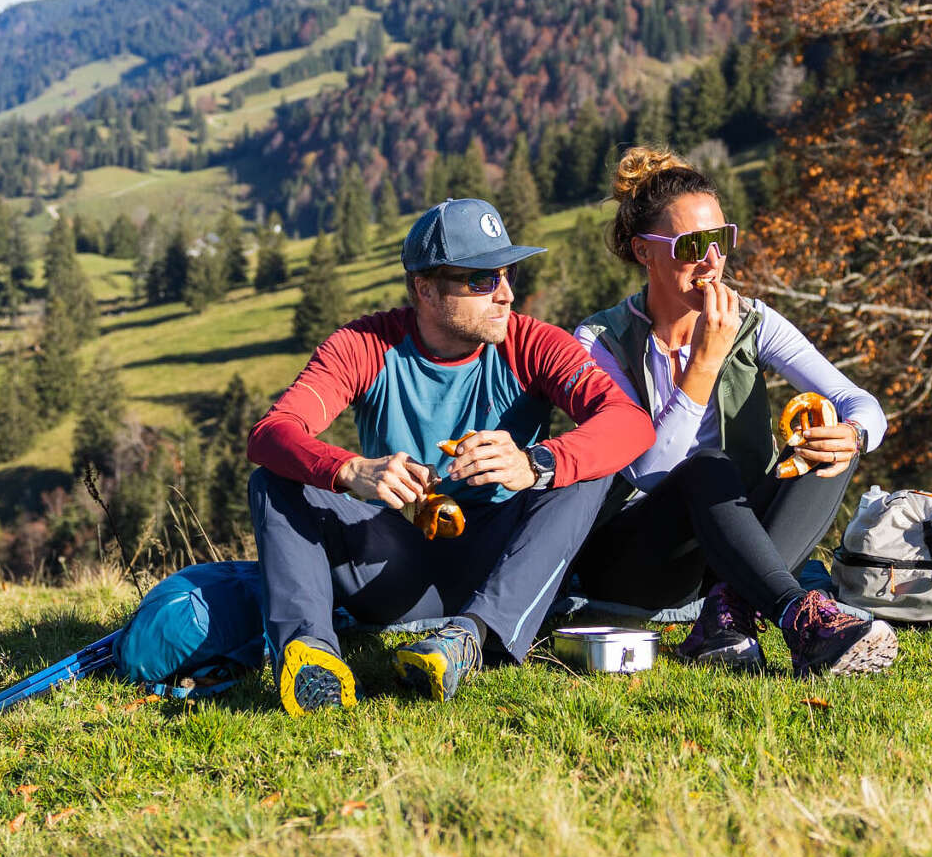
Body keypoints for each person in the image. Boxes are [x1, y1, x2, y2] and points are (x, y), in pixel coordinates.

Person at [248, 196, 655, 714]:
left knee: (584, 470)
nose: (506, 294)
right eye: (482, 280)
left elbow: (629, 422)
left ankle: (470, 639)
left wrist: (535, 462)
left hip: (501, 562)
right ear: (425, 288)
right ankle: (312, 657)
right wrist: (348, 470)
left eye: (507, 275)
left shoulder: (531, 343)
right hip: (389, 562)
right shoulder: (366, 344)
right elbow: (272, 432)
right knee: (274, 481)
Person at [570, 146, 897, 676]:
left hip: (732, 544)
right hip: (640, 553)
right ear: (644, 251)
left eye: (721, 240)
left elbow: (861, 404)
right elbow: (646, 473)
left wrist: (856, 435)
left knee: (827, 441)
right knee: (707, 466)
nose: (712, 260)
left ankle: (729, 609)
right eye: (692, 245)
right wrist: (703, 363)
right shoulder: (599, 340)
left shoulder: (753, 320)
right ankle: (799, 616)